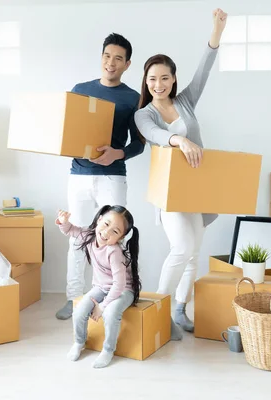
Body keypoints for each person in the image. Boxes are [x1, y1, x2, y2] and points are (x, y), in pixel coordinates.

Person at [134, 9, 228, 340]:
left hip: (196, 190)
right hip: (171, 192)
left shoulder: (186, 101)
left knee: (194, 253)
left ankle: (178, 308)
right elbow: (157, 136)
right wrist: (179, 138)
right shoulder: (143, 114)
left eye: (163, 78)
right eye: (151, 79)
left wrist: (216, 32)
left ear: (173, 79)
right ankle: (157, 310)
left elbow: (203, 71)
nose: (157, 84)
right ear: (145, 83)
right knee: (182, 247)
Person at [56, 33, 145, 320]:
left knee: (116, 239)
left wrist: (116, 154)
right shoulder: (80, 90)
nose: (111, 62)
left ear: (127, 64)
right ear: (102, 57)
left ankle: (115, 296)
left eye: (118, 58)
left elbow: (139, 144)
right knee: (77, 237)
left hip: (112, 178)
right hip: (79, 175)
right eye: (107, 56)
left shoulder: (133, 98)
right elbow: (68, 131)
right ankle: (73, 299)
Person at [56, 205, 141, 369]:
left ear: (121, 238)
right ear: (99, 219)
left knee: (110, 313)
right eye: (106, 224)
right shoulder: (89, 235)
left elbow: (119, 284)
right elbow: (70, 230)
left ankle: (108, 350)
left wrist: (102, 306)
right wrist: (63, 221)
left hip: (123, 290)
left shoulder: (114, 252)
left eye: (115, 232)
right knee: (79, 311)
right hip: (101, 287)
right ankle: (79, 342)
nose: (106, 232)